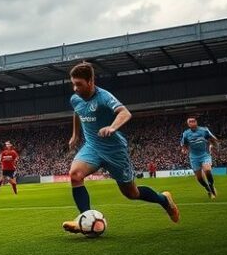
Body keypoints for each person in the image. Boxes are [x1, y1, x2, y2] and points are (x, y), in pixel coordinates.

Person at [62, 62, 179, 234]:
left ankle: (164, 200)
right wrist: (75, 135)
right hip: (92, 147)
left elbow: (125, 112)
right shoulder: (75, 99)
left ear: (90, 81)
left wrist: (112, 127)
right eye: (73, 84)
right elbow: (77, 112)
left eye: (79, 84)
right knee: (75, 175)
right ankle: (85, 220)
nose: (75, 88)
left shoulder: (104, 97)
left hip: (114, 150)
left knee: (132, 193)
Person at [180, 116, 219, 200]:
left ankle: (211, 186)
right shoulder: (186, 134)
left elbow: (212, 138)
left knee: (207, 170)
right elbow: (184, 145)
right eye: (190, 121)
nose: (192, 122)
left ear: (196, 122)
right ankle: (207, 189)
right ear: (188, 124)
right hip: (194, 158)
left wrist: (215, 143)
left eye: (193, 121)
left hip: (205, 154)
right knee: (199, 178)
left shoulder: (204, 130)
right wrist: (184, 150)